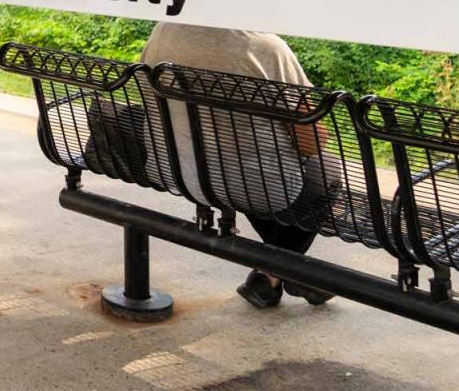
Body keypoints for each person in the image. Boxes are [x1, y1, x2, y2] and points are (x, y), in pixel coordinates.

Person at [140, 20, 336, 309]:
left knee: (247, 170)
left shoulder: (164, 31)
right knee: (325, 171)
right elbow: (312, 142)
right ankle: (281, 271)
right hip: (247, 184)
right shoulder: (265, 47)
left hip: (178, 171)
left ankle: (282, 275)